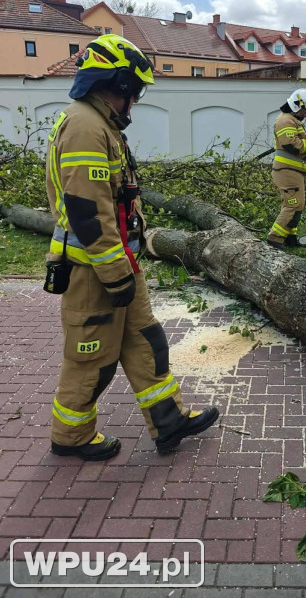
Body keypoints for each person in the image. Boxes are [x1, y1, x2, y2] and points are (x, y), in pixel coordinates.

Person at [44, 33, 219, 461]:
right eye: (134, 92)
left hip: (118, 264)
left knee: (145, 341)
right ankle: (71, 436)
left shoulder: (99, 123)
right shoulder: (85, 126)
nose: (135, 102)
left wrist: (125, 265)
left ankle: (168, 419)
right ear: (117, 84)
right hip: (95, 272)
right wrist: (115, 272)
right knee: (92, 360)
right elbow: (89, 213)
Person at [267, 88, 306, 250]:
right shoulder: (285, 120)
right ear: (297, 105)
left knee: (297, 204)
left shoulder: (293, 121)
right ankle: (275, 238)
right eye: (305, 110)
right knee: (293, 204)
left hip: (293, 172)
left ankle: (289, 236)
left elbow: (297, 139)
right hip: (287, 171)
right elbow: (291, 145)